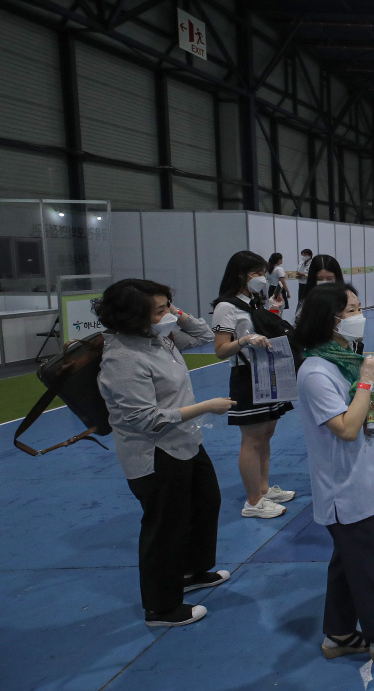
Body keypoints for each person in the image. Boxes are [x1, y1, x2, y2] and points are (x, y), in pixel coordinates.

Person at [294, 283, 374, 667]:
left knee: (346, 562)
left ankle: (338, 634)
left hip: (364, 476)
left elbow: (361, 416)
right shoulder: (316, 372)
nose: (359, 317)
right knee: (368, 567)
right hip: (344, 485)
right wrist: (367, 380)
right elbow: (346, 428)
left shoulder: (342, 361)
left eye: (358, 308)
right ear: (330, 319)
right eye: (351, 310)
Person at [95, 278, 234, 627]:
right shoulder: (123, 358)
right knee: (165, 526)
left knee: (205, 501)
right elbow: (144, 420)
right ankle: (161, 607)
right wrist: (204, 407)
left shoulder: (157, 337)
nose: (168, 314)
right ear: (134, 316)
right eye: (160, 310)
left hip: (184, 441)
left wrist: (175, 312)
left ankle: (191, 571)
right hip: (154, 453)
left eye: (168, 305)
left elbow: (203, 334)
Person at [212, 251, 295, 519]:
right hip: (246, 377)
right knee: (252, 439)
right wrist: (245, 342)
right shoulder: (227, 307)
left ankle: (263, 487)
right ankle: (253, 501)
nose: (262, 278)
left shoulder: (254, 302)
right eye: (257, 273)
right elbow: (221, 349)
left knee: (266, 434)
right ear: (241, 275)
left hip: (268, 371)